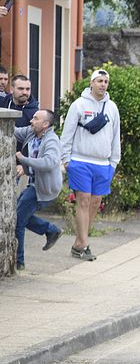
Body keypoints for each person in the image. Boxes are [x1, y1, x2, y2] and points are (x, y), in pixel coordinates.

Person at [60, 69, 121, 262]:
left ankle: (79, 243)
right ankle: (85, 245)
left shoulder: (112, 107)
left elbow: (115, 137)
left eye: (105, 81)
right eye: (99, 81)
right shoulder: (78, 105)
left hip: (103, 164)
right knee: (83, 200)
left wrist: (113, 163)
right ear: (91, 83)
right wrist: (66, 159)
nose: (103, 84)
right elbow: (67, 133)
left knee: (95, 202)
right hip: (80, 161)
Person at [14, 109, 64, 270]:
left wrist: (23, 160)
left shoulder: (52, 141)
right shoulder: (31, 132)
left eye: (35, 118)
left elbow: (48, 163)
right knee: (19, 215)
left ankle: (18, 261)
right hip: (34, 184)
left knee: (18, 221)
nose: (31, 121)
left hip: (45, 188)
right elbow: (12, 130)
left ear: (45, 124)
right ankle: (51, 230)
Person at [2, 75, 40, 152]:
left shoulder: (35, 113)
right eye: (21, 89)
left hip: (21, 159)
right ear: (12, 89)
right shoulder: (4, 102)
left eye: (27, 89)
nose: (25, 92)